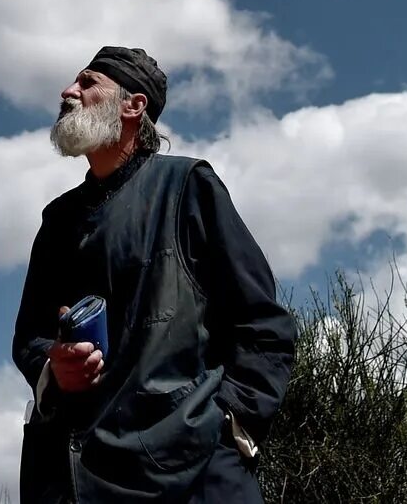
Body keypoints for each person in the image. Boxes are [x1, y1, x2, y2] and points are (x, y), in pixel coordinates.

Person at [15, 47, 295, 503]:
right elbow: (31, 336)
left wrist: (231, 423)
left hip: (194, 474)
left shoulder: (188, 186)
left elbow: (262, 323)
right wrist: (55, 368)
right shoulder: (57, 221)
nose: (68, 92)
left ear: (133, 105)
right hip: (76, 478)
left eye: (88, 83)